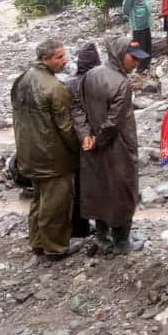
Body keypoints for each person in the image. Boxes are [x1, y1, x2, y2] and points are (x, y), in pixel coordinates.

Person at [72, 35, 146, 255]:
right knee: (125, 189)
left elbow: (76, 106)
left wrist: (85, 135)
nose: (136, 63)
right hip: (119, 146)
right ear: (119, 55)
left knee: (99, 187)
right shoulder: (122, 84)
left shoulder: (90, 75)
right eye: (132, 58)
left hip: (93, 146)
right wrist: (98, 139)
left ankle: (103, 237)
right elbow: (113, 122)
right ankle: (122, 242)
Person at [11, 38, 82, 261]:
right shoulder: (55, 88)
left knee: (38, 200)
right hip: (53, 157)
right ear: (45, 59)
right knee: (56, 203)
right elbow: (66, 128)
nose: (64, 60)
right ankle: (56, 247)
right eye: (59, 57)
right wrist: (79, 150)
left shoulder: (21, 79)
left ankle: (37, 242)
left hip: (28, 152)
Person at [63, 43, 101, 238]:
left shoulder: (68, 85)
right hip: (95, 141)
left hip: (72, 142)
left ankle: (79, 226)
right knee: (98, 183)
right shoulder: (98, 83)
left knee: (76, 184)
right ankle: (101, 225)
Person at [122, 0, 153, 72]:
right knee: (140, 45)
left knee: (148, 43)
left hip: (146, 22)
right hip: (137, 23)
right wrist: (133, 15)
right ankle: (140, 67)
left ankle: (147, 64)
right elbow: (126, 8)